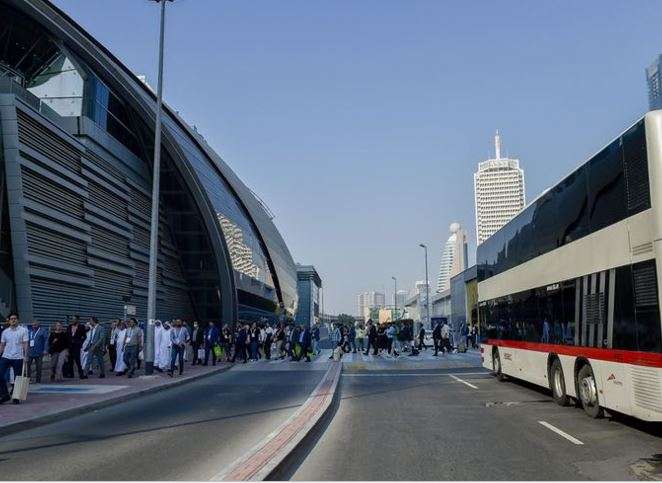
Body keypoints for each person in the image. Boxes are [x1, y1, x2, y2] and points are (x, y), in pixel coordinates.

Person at [0, 313, 28, 404]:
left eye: (15, 318)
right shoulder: (5, 332)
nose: (13, 320)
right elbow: (2, 344)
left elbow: (25, 344)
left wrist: (25, 355)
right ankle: (5, 395)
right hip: (6, 356)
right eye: (11, 319)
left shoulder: (23, 330)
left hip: (18, 357)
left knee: (17, 378)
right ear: (9, 320)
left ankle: (16, 397)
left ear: (18, 320)